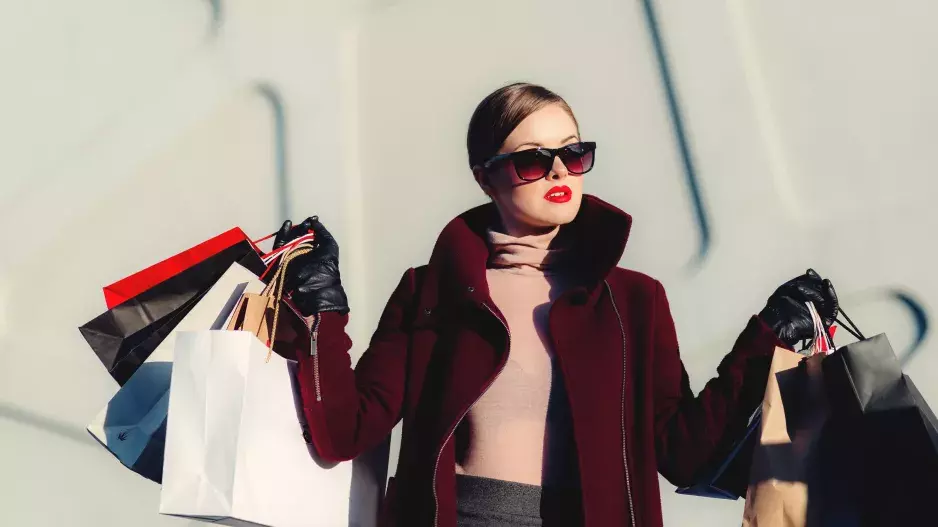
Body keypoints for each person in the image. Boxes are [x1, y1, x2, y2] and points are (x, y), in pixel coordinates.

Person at [272, 82, 839, 527]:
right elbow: (344, 430)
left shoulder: (634, 301)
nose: (561, 171)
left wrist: (767, 337)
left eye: (573, 152)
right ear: (485, 178)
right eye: (532, 160)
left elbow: (684, 454)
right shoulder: (431, 291)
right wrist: (322, 308)